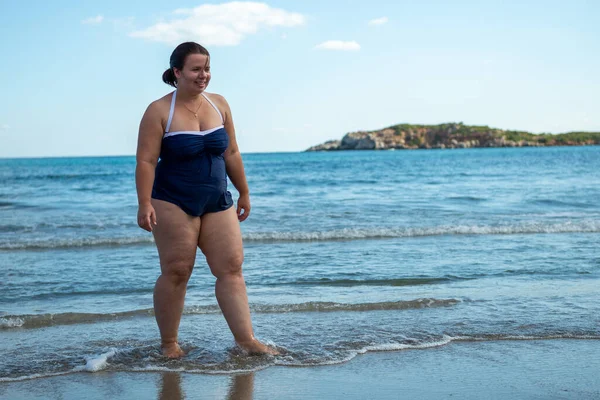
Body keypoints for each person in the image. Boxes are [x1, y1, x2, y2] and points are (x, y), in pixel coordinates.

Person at [135, 42, 277, 358]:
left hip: (217, 200)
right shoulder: (159, 110)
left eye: (207, 69)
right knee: (177, 270)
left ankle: (247, 341)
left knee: (231, 267)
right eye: (196, 69)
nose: (204, 76)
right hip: (172, 200)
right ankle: (169, 344)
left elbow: (231, 152)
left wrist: (245, 191)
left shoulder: (219, 105)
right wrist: (144, 203)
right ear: (177, 72)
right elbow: (146, 161)